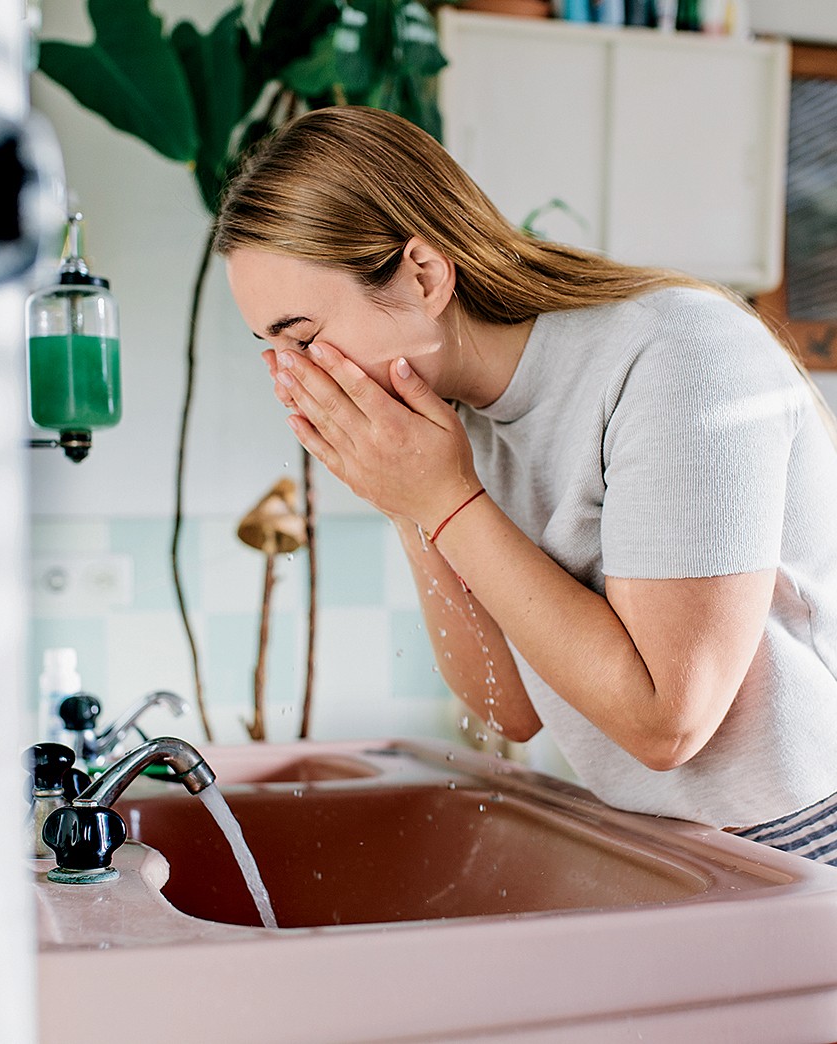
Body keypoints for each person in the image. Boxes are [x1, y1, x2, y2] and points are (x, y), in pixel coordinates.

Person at [212, 105, 837, 865]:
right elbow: (505, 704)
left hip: (805, 844)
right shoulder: (458, 423)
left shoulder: (678, 357)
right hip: (669, 845)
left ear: (424, 274)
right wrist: (410, 504)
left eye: (304, 337)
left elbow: (667, 723)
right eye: (273, 349)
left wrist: (444, 501)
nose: (292, 380)